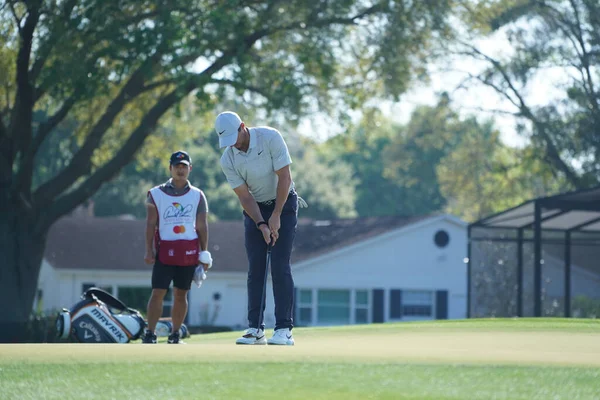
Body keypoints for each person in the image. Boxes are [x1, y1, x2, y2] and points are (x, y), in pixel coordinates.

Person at [215, 111, 306, 346]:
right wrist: (262, 223)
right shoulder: (228, 159)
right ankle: (255, 329)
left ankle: (284, 329)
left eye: (234, 138)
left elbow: (285, 178)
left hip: (284, 203)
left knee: (279, 265)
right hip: (255, 209)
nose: (232, 145)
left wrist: (276, 215)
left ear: (243, 126)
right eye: (227, 142)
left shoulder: (270, 137)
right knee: (256, 268)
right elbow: (245, 197)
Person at [142, 150, 211, 344]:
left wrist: (204, 253)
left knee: (181, 294)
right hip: (164, 251)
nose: (180, 170)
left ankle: (174, 334)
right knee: (158, 292)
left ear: (190, 168)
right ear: (170, 168)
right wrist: (149, 250)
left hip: (188, 252)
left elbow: (202, 226)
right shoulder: (155, 194)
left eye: (184, 166)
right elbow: (150, 224)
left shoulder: (198, 195)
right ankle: (150, 333)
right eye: (177, 166)